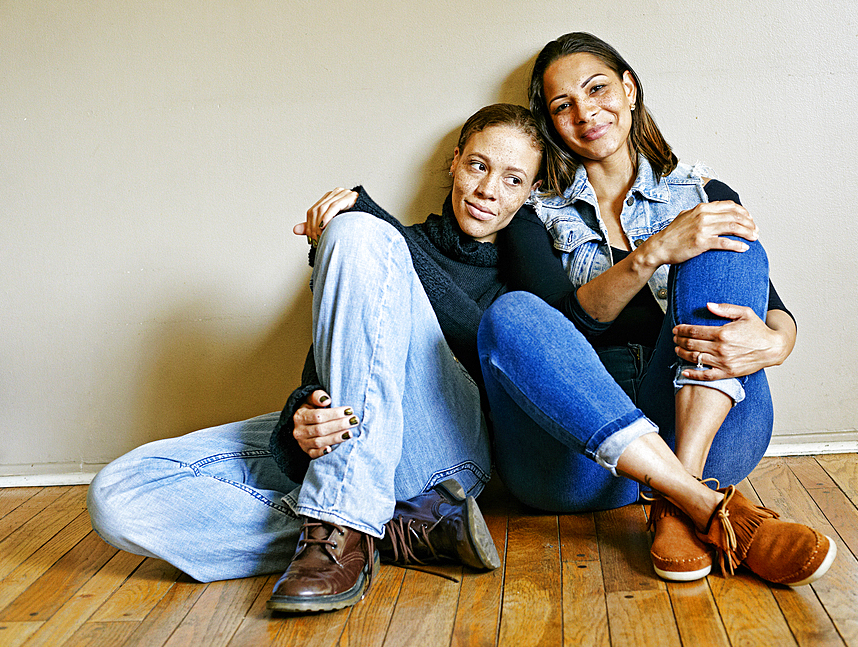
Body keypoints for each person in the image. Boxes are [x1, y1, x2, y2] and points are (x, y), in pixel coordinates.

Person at [87, 103, 544, 613]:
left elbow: (478, 339)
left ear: (529, 195)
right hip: (359, 450)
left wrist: (369, 218)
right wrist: (306, 410)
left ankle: (346, 522)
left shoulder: (523, 273)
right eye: (479, 166)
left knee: (357, 234)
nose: (488, 191)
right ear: (455, 161)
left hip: (443, 459)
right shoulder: (389, 249)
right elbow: (337, 359)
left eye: (513, 179)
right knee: (118, 496)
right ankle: (391, 527)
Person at [477, 32, 835, 585]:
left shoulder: (700, 192)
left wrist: (777, 343)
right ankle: (706, 507)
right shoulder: (533, 211)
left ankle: (680, 491)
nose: (586, 112)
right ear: (550, 123)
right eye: (562, 104)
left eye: (597, 89)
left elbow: (771, 303)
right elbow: (552, 332)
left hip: (710, 431)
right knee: (511, 315)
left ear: (629, 88)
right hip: (579, 458)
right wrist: (655, 252)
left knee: (729, 237)